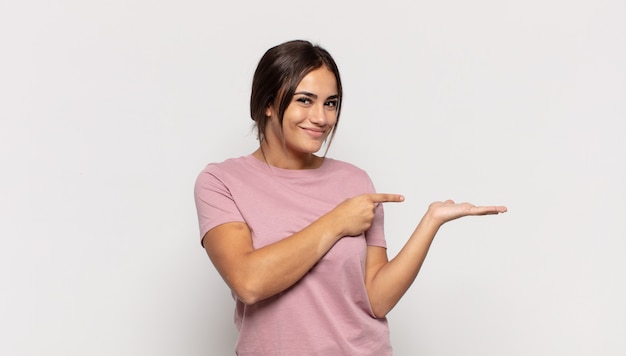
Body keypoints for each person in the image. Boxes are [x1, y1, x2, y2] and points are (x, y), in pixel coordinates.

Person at [194, 39, 507, 355]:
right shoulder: (222, 181)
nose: (321, 117)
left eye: (331, 103)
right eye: (305, 100)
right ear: (269, 104)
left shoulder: (354, 180)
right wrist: (336, 222)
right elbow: (249, 282)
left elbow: (376, 299)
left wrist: (430, 222)